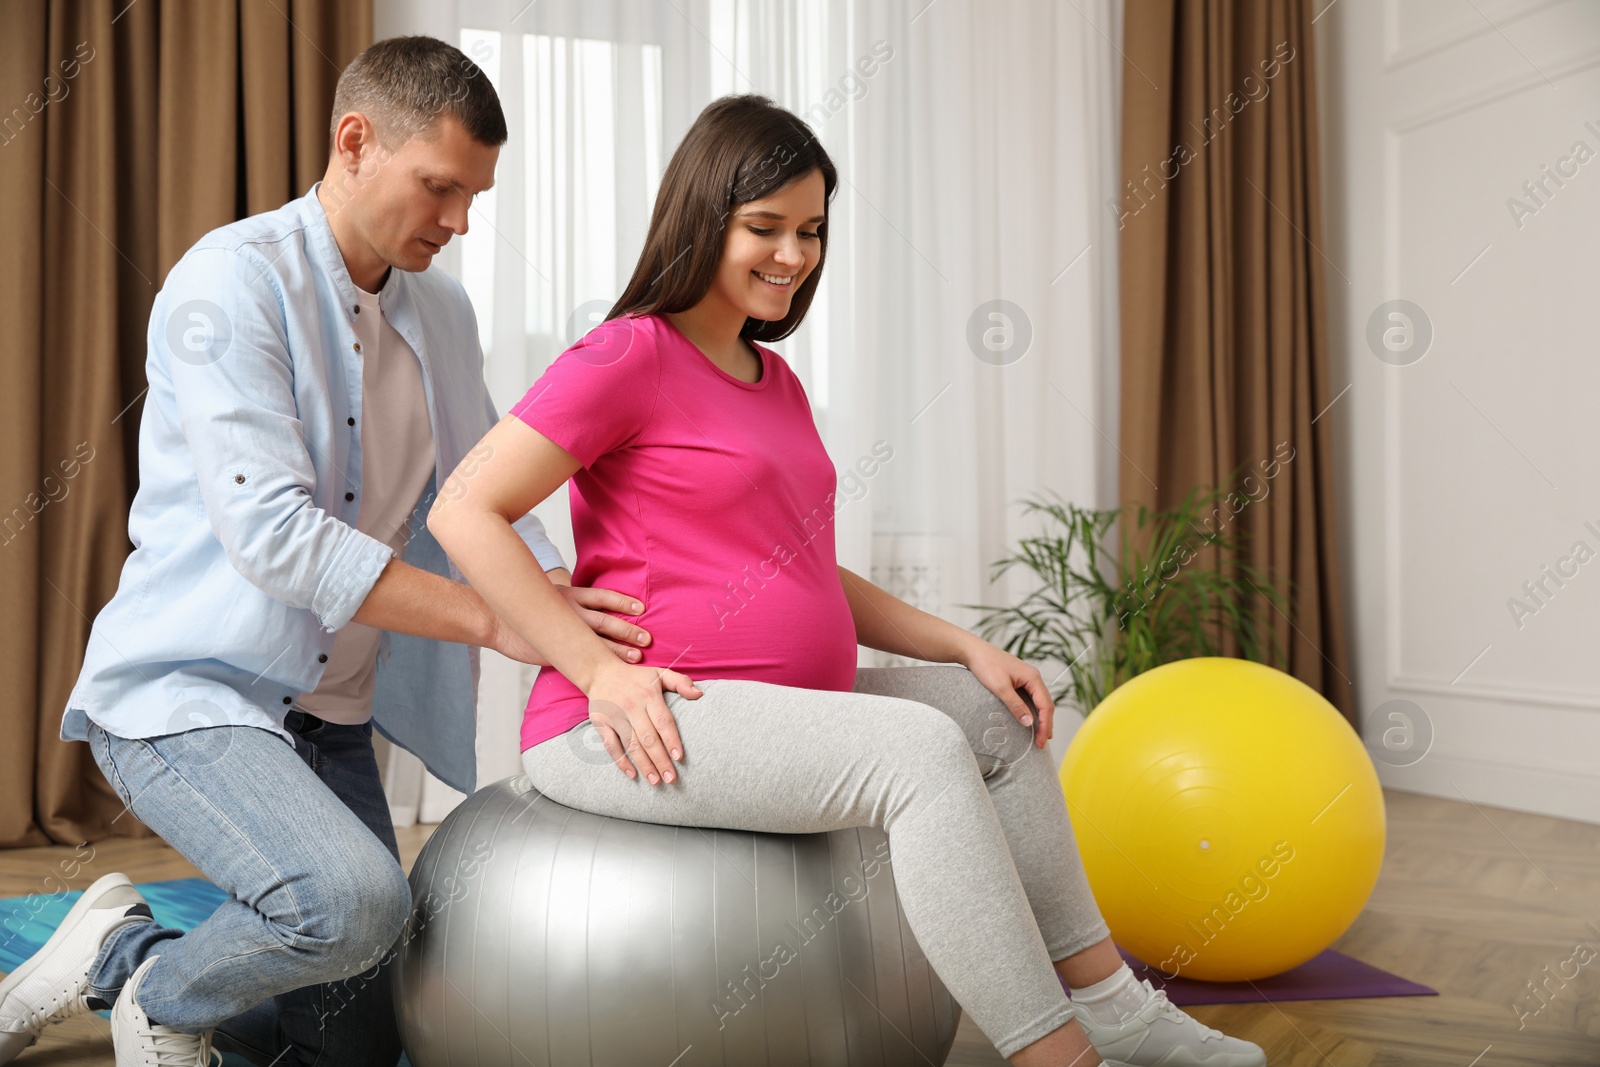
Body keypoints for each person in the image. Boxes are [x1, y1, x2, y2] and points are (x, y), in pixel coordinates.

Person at [427, 94, 1269, 1067]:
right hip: (632, 721)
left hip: (764, 703)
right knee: (917, 749)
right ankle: (1059, 1057)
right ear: (704, 218)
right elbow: (464, 509)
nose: (793, 254)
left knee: (986, 709)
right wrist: (595, 666)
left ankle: (1114, 1008)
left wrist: (962, 644)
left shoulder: (771, 379)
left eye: (812, 230)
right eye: (765, 228)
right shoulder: (627, 355)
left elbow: (801, 566)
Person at [0, 36, 651, 1067]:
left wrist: (554, 587)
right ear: (355, 142)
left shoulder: (439, 308)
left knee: (355, 1041)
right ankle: (165, 998)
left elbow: (477, 484)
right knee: (351, 901)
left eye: (474, 195)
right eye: (440, 188)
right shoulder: (228, 284)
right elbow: (277, 535)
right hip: (190, 692)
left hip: (333, 714)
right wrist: (504, 617)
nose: (459, 223)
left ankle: (119, 950)